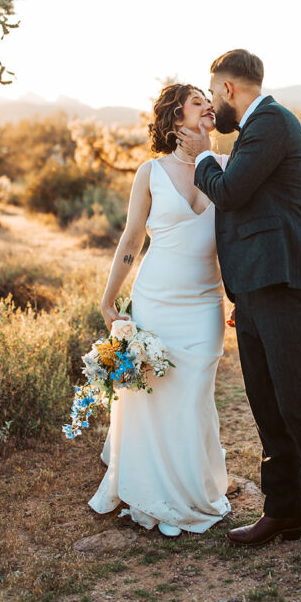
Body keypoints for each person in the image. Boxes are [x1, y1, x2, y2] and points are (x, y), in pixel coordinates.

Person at [179, 49, 301, 574]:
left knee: (298, 404)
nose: (213, 107)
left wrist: (204, 156)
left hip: (284, 282)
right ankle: (282, 514)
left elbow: (230, 193)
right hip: (254, 290)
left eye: (214, 96)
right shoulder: (257, 132)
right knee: (265, 406)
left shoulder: (273, 123)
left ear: (230, 90)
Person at [88, 83, 231, 537]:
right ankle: (151, 488)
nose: (209, 106)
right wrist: (109, 298)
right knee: (153, 396)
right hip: (156, 300)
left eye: (210, 101)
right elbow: (132, 240)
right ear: (174, 119)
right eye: (197, 102)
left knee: (194, 395)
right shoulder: (149, 172)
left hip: (206, 302)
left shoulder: (226, 166)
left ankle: (192, 491)